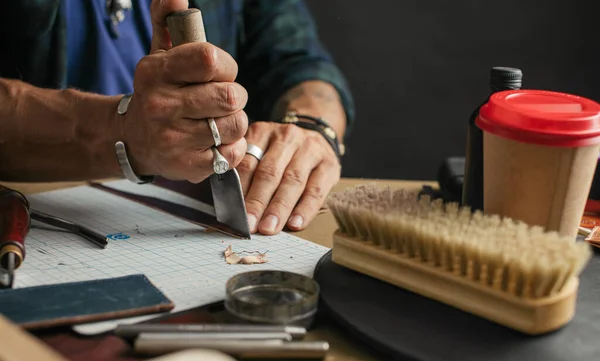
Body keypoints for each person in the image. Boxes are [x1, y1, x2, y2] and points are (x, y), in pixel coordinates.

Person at [0, 0, 354, 236]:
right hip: (39, 226)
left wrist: (310, 126)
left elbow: (298, 59)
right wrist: (119, 131)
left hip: (170, 219)